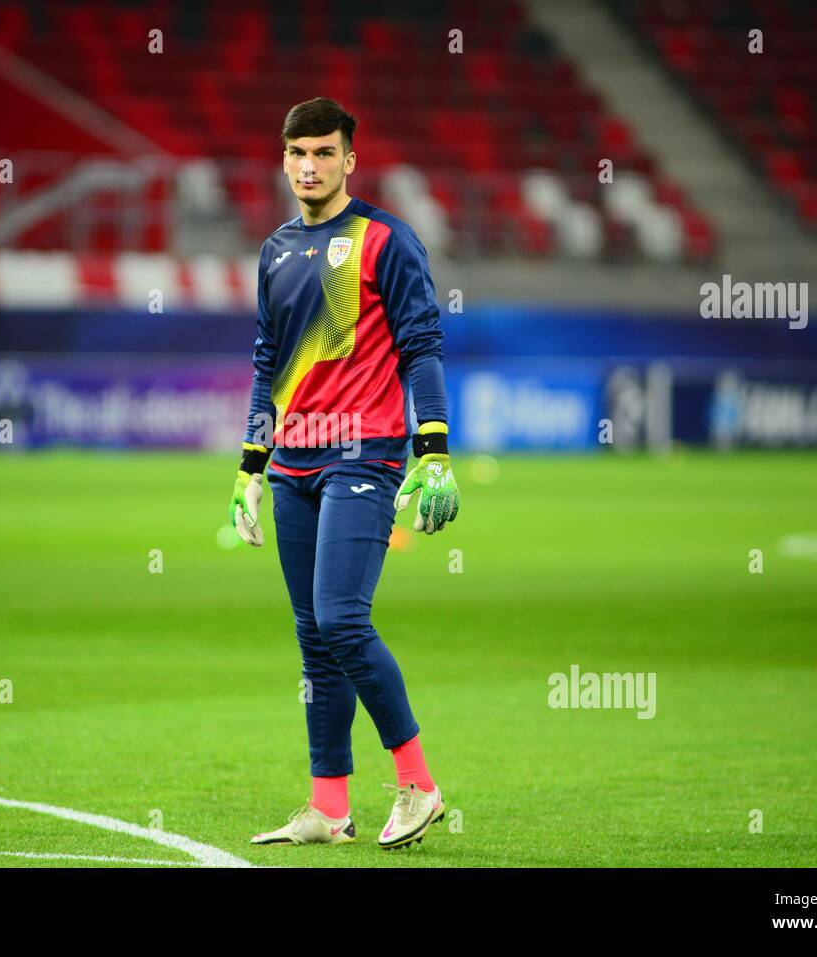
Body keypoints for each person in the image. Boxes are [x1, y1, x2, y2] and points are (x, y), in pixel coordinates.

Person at [228, 97, 460, 849]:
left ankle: (419, 783)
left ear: (350, 159)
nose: (310, 165)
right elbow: (269, 363)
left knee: (341, 619)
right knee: (313, 640)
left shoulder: (385, 241)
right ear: (283, 158)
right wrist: (249, 468)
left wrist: (435, 450)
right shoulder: (275, 250)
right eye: (298, 152)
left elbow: (422, 344)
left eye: (325, 152)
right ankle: (329, 807)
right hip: (293, 460)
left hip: (364, 452)